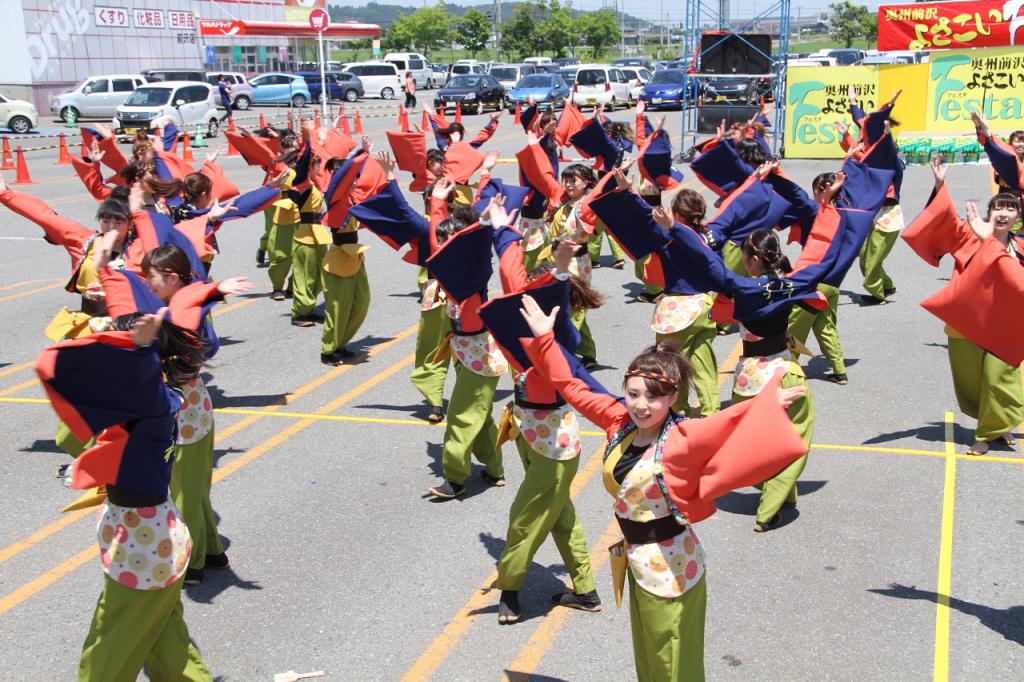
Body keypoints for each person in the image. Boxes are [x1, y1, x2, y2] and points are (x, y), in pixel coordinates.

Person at [518, 293, 808, 682]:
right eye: (634, 392)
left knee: (670, 661)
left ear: (673, 396)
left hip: (670, 567)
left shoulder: (682, 437)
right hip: (639, 559)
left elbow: (726, 424)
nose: (641, 405)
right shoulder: (620, 421)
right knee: (653, 656)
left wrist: (767, 404)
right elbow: (571, 385)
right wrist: (545, 340)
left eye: (654, 397)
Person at [37, 309, 214, 681]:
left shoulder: (154, 408)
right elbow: (69, 437)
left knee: (108, 651)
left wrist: (139, 350)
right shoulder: (139, 410)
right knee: (168, 648)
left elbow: (137, 388)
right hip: (147, 543)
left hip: (144, 550)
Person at [902, 156, 1024, 456]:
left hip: (1005, 327)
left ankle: (985, 434)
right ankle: (993, 424)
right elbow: (941, 224)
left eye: (1011, 208)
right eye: (999, 207)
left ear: (1018, 216)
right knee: (972, 383)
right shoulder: (969, 234)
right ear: (989, 213)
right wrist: (940, 184)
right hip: (967, 323)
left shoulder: (1021, 246)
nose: (1004, 212)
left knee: (1001, 379)